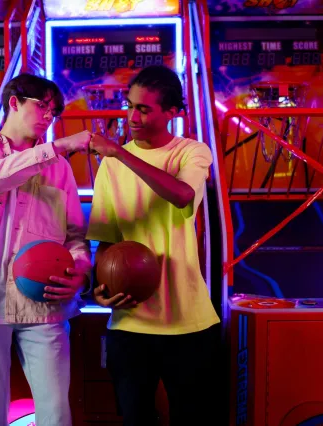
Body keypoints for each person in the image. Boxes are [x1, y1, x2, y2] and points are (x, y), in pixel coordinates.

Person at [0, 73, 92, 426]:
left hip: (43, 303)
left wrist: (79, 271)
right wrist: (56, 147)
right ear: (14, 102)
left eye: (54, 111)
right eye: (42, 105)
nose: (49, 116)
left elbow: (74, 236)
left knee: (57, 414)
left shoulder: (59, 169)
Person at [86, 65, 220, 426]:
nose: (132, 117)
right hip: (130, 324)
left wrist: (119, 153)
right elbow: (106, 239)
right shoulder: (109, 168)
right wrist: (97, 291)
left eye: (144, 109)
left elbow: (181, 195)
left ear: (172, 112)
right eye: (129, 106)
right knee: (135, 420)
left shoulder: (192, 152)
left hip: (189, 321)